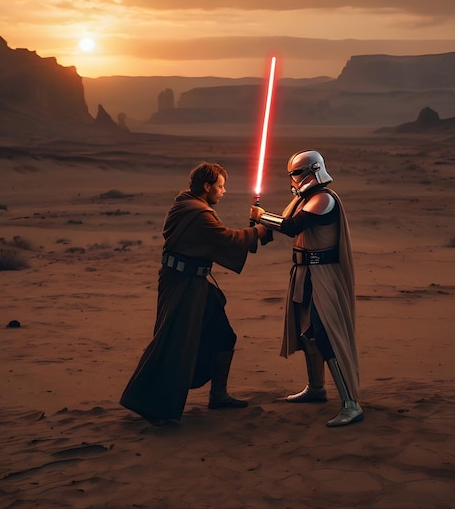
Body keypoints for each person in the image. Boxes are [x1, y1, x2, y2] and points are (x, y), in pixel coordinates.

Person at [120, 161, 269, 426]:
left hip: (195, 285)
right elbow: (225, 239)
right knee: (174, 344)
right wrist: (258, 229)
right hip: (183, 286)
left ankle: (218, 395)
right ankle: (153, 405)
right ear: (207, 186)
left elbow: (218, 240)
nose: (223, 191)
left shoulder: (188, 205)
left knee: (224, 336)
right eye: (220, 186)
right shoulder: (197, 213)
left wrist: (254, 229)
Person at [250, 150, 363, 427]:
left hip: (323, 274)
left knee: (326, 334)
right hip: (304, 274)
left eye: (298, 173)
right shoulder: (303, 200)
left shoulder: (324, 199)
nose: (294, 179)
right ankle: (316, 388)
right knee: (307, 333)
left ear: (314, 170)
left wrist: (263, 216)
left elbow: (293, 226)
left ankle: (351, 403)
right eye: (292, 174)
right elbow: (283, 228)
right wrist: (258, 227)